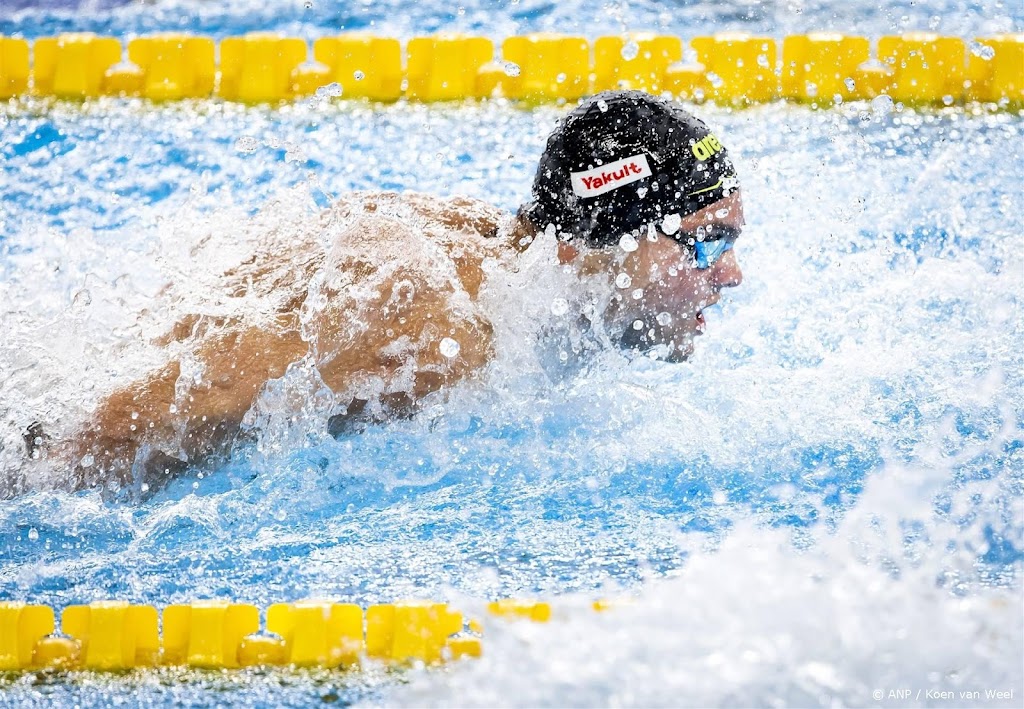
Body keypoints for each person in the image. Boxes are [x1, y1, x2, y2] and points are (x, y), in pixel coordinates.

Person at [25, 89, 745, 496]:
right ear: (604, 236)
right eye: (708, 240)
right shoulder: (446, 330)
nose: (731, 273)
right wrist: (34, 478)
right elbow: (186, 396)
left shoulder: (504, 255)